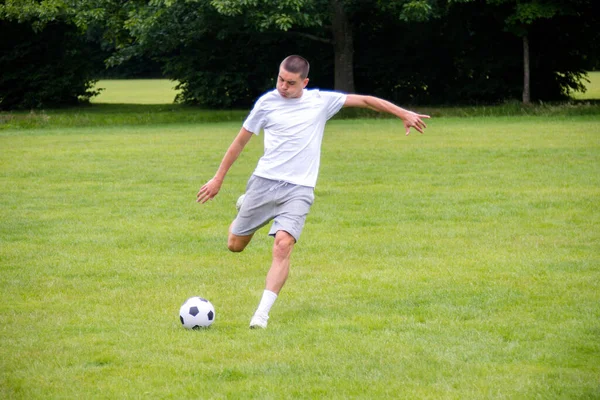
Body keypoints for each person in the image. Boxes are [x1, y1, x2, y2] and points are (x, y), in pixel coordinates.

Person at [196, 55, 430, 329]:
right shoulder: (266, 103)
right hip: (264, 182)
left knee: (283, 244)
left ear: (304, 82)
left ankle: (261, 314)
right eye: (280, 79)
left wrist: (402, 113)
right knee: (235, 246)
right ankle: (244, 206)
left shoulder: (320, 101)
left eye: (291, 83)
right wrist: (218, 179)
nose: (283, 86)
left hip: (300, 189)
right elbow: (239, 143)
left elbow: (365, 100)